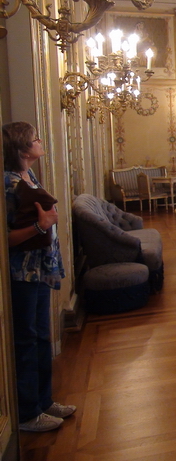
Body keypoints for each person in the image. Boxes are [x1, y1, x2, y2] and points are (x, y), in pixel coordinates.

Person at [3, 122, 76, 432]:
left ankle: (44, 401)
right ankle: (27, 413)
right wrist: (40, 226)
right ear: (23, 149)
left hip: (39, 270)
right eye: (35, 138)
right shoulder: (8, 183)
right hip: (22, 274)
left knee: (42, 337)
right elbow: (6, 238)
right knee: (26, 341)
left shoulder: (27, 175)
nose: (40, 141)